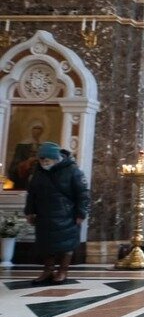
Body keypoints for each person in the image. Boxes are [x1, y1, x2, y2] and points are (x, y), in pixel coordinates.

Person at [24, 142, 90, 285]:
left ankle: (62, 271)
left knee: (66, 244)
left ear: (56, 158)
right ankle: (48, 270)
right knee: (45, 244)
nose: (44, 162)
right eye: (41, 159)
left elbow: (83, 194)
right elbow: (32, 193)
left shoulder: (73, 170)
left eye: (47, 159)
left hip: (67, 214)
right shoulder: (38, 171)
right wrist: (29, 212)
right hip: (43, 214)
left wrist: (81, 213)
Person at [9, 121, 46, 190]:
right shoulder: (22, 145)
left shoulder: (44, 145)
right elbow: (14, 166)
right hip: (24, 180)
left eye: (39, 129)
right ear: (30, 129)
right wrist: (27, 162)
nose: (37, 131)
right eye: (35, 128)